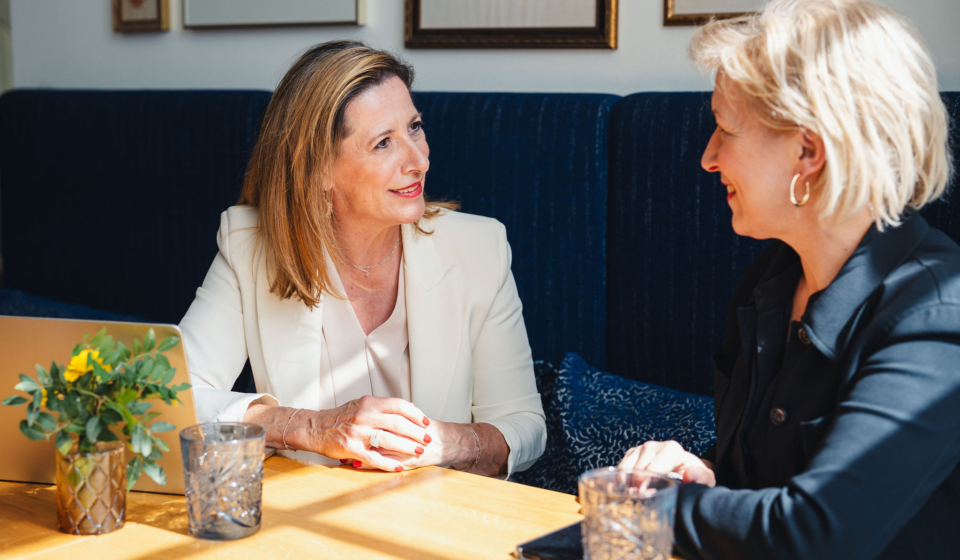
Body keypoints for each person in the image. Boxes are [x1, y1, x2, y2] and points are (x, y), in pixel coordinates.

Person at [617, 1, 960, 558]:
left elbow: (819, 533)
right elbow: (767, 487)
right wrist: (702, 475)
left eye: (725, 129)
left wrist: (661, 509)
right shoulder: (770, 282)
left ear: (808, 152)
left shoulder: (936, 315)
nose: (707, 157)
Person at [179, 41, 545, 478]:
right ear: (318, 170)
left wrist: (447, 442)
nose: (419, 160)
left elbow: (526, 428)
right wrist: (307, 428)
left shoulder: (479, 249)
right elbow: (167, 396)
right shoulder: (250, 247)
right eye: (383, 143)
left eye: (414, 127)